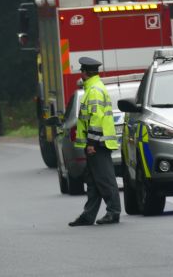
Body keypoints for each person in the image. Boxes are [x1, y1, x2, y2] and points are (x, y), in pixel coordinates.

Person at [69, 57, 122, 226]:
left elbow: (96, 118)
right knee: (92, 182)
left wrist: (91, 143)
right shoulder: (93, 88)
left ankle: (113, 212)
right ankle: (88, 215)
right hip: (96, 142)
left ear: (84, 73)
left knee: (104, 179)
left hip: (98, 143)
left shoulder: (93, 90)